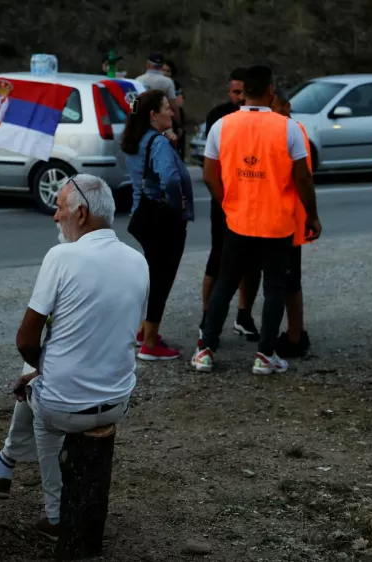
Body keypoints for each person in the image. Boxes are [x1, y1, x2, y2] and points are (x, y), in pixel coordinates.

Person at [0, 175, 148, 541]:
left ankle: (53, 513)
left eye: (59, 208)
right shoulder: (137, 259)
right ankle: (2, 466)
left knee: (39, 398)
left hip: (66, 405)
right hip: (117, 401)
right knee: (38, 375)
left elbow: (25, 338)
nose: (54, 217)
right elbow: (126, 332)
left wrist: (38, 369)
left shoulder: (62, 256)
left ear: (80, 213)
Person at [193, 64, 321, 374]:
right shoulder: (287, 127)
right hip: (276, 222)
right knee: (274, 287)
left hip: (238, 221)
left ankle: (205, 349)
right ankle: (265, 355)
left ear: (243, 91)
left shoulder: (222, 126)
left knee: (226, 282)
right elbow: (302, 177)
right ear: (270, 91)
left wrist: (228, 203)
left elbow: (210, 175)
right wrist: (312, 215)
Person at [122, 90, 195, 360]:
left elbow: (149, 172)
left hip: (141, 215)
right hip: (162, 220)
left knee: (153, 275)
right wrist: (178, 206)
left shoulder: (138, 140)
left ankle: (144, 330)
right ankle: (150, 344)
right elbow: (171, 179)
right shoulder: (159, 143)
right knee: (162, 278)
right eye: (166, 108)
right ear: (153, 115)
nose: (172, 112)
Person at [200, 67, 264, 343]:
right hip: (226, 202)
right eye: (235, 92)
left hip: (256, 201)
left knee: (253, 262)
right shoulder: (219, 117)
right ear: (230, 92)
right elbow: (209, 169)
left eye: (243, 92)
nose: (239, 97)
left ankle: (244, 315)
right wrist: (224, 200)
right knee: (219, 260)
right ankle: (207, 317)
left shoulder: (262, 118)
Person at [271, 90, 314, 357]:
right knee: (286, 280)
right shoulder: (284, 129)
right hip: (282, 216)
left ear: (287, 107)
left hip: (289, 218)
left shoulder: (294, 130)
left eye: (274, 107)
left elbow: (303, 177)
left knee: (289, 281)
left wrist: (311, 216)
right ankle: (295, 333)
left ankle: (296, 336)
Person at [135, 52, 180, 129]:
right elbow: (173, 106)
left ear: (148, 64)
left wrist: (132, 120)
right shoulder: (168, 81)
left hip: (142, 123)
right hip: (161, 123)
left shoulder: (138, 80)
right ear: (162, 66)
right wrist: (178, 124)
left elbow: (134, 103)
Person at [162, 60, 187, 158]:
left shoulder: (174, 84)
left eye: (168, 71)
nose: (165, 73)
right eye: (163, 70)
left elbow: (180, 102)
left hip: (175, 117)